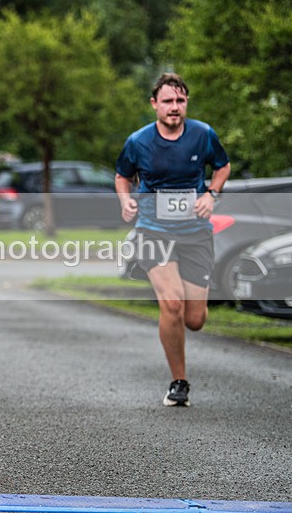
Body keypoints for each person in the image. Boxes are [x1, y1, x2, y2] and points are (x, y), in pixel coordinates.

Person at [115, 72, 231, 408]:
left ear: (186, 103)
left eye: (180, 100)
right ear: (154, 104)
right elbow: (123, 176)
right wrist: (126, 200)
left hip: (195, 234)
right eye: (168, 100)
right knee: (172, 304)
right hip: (153, 231)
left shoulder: (203, 134)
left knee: (195, 319)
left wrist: (211, 194)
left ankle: (180, 292)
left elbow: (222, 167)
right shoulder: (138, 141)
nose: (174, 107)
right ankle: (179, 381)